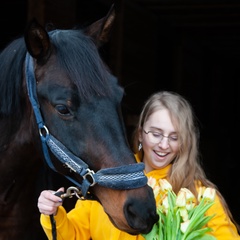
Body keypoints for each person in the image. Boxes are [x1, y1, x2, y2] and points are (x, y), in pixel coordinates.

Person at [38, 91, 240, 239]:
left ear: (184, 143)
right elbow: (72, 234)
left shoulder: (199, 196)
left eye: (174, 137)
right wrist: (53, 213)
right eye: (156, 133)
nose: (163, 144)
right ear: (142, 132)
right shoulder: (108, 179)